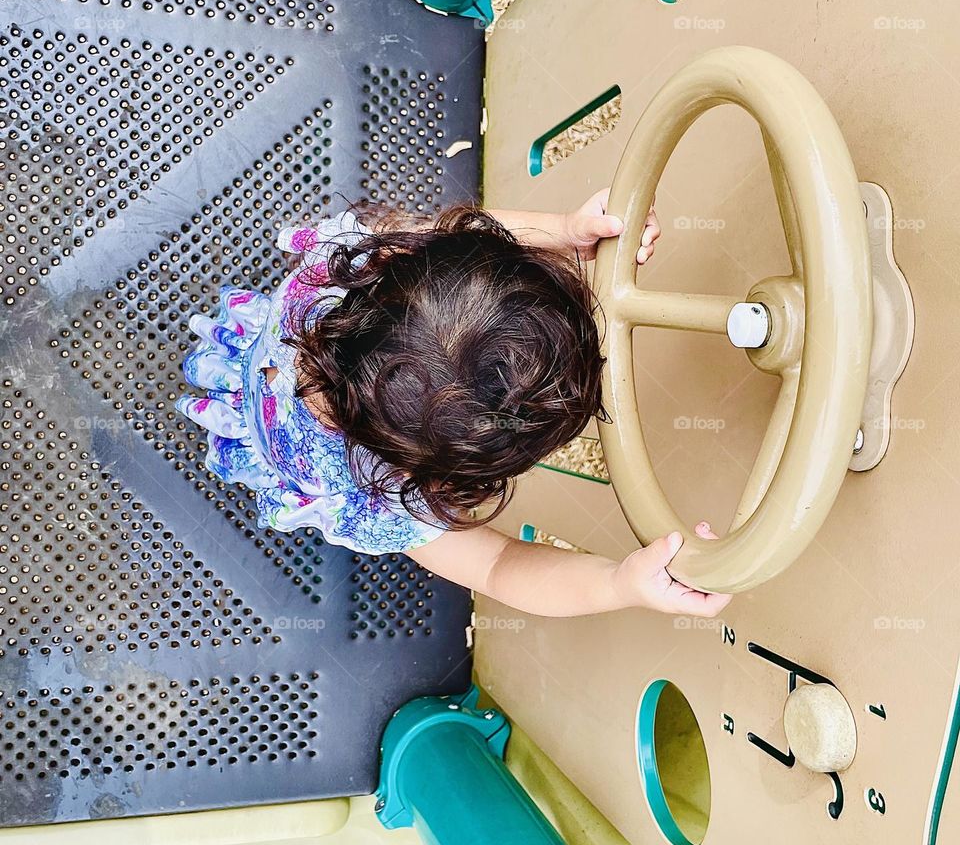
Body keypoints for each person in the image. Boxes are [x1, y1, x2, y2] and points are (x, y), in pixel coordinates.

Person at [177, 190, 729, 619]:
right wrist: (619, 583)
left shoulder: (352, 275)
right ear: (440, 475)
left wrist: (563, 231)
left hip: (271, 344)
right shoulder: (379, 490)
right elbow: (497, 567)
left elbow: (449, 248)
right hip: (266, 433)